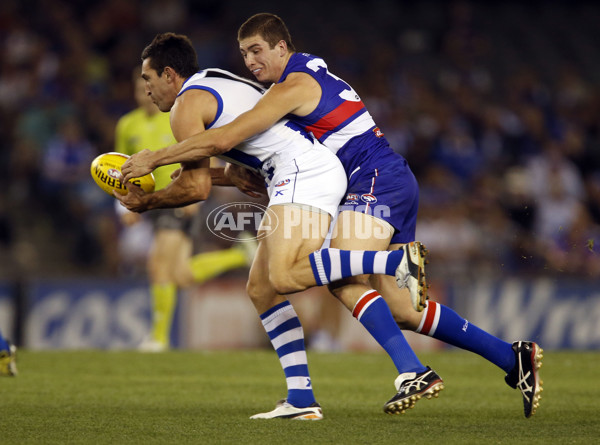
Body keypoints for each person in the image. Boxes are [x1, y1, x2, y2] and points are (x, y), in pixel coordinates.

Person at [120, 14, 543, 419]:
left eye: (256, 51)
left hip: (371, 179)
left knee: (324, 276)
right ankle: (511, 356)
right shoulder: (298, 75)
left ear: (282, 46)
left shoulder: (291, 86)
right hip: (386, 177)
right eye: (244, 54)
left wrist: (154, 160)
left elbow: (230, 136)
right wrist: (225, 171)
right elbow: (257, 148)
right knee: (399, 309)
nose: (250, 63)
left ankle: (410, 360)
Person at [115, 68, 257, 352]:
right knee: (179, 275)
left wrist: (196, 195)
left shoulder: (178, 114)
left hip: (178, 199)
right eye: (139, 88)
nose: (145, 93)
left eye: (148, 87)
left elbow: (207, 153)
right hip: (152, 204)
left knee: (158, 264)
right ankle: (237, 255)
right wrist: (122, 207)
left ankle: (158, 338)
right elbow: (118, 165)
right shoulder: (127, 125)